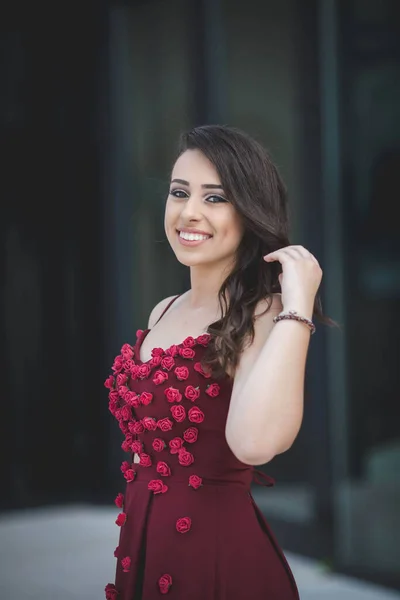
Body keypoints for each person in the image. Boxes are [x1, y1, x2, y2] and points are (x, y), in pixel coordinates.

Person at [104, 124, 324, 599]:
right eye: (179, 192)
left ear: (250, 211)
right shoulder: (164, 309)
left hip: (218, 559)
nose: (188, 213)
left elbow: (255, 445)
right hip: (143, 546)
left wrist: (298, 307)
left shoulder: (267, 315)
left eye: (215, 198)